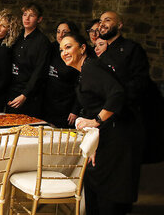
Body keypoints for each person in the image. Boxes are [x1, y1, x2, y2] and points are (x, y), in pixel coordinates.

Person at [60, 33, 139, 215]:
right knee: (95, 182)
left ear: (82, 48)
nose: (64, 52)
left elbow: (117, 94)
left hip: (118, 134)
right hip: (106, 134)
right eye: (61, 49)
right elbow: (94, 104)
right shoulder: (84, 71)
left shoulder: (92, 68)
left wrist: (96, 121)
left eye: (68, 47)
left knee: (108, 188)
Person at [97, 11, 162, 163]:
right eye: (100, 21)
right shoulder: (104, 54)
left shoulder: (132, 49)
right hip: (106, 114)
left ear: (119, 25)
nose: (102, 24)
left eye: (107, 20)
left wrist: (117, 102)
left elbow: (139, 83)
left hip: (125, 115)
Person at [7, 3, 50, 117]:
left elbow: (39, 71)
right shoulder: (16, 36)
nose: (26, 18)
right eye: (25, 14)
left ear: (39, 19)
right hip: (12, 90)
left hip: (29, 94)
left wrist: (25, 95)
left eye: (31, 15)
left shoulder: (43, 42)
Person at [42, 21, 80, 128]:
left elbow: (80, 85)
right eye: (58, 32)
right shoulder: (51, 48)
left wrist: (75, 110)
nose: (61, 35)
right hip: (48, 104)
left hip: (66, 106)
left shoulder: (75, 54)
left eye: (65, 32)